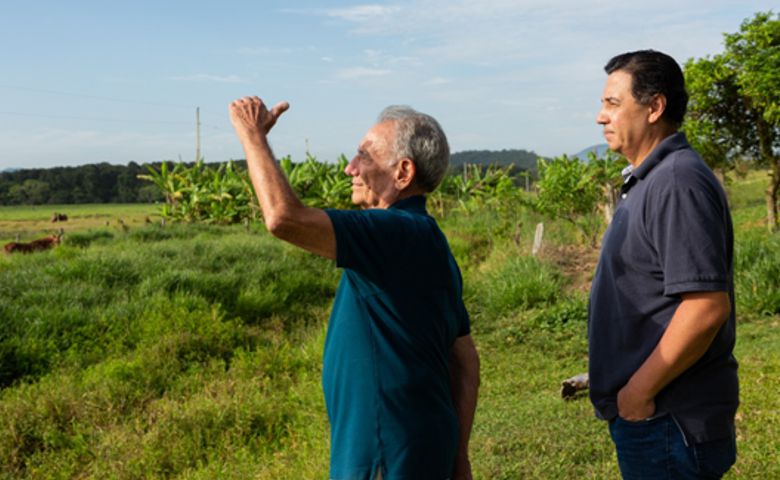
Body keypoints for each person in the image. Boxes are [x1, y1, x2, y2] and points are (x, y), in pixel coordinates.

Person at [229, 97, 480, 480]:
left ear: (403, 172)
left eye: (364, 155)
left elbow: (283, 218)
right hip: (416, 447)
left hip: (386, 453)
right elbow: (464, 360)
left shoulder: (397, 232)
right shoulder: (427, 239)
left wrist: (252, 134)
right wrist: (458, 456)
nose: (350, 167)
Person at [588, 50, 739, 479]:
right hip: (659, 417)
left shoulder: (675, 181)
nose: (601, 117)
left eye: (613, 104)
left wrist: (638, 392)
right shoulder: (650, 178)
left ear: (655, 107)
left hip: (668, 417)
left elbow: (705, 306)